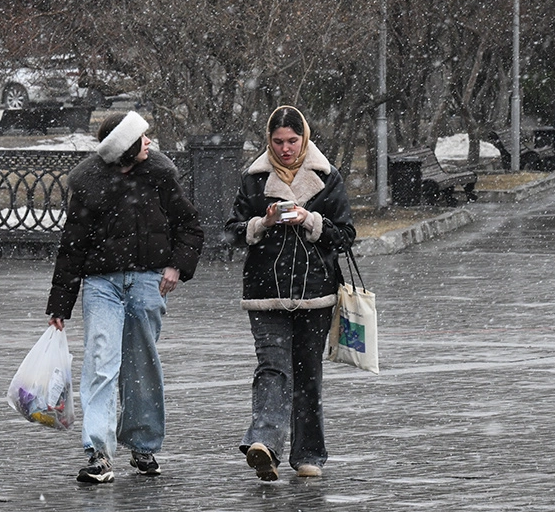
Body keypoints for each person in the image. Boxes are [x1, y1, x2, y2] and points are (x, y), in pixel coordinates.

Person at [46, 111, 204, 484]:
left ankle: (142, 443)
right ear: (125, 147)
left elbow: (190, 226)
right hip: (101, 284)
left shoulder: (161, 176)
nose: (149, 142)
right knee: (102, 362)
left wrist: (176, 267)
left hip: (148, 282)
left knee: (141, 364)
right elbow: (72, 246)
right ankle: (98, 452)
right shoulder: (89, 184)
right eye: (142, 138)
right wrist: (59, 305)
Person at [224, 105, 355, 481]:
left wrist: (311, 219)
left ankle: (309, 454)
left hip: (315, 293)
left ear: (304, 138)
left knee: (308, 375)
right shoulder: (253, 179)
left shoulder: (328, 178)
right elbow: (231, 232)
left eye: (292, 141)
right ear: (269, 140)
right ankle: (264, 444)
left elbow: (345, 235)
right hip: (265, 293)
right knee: (273, 368)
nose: (285, 149)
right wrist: (261, 222)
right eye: (278, 141)